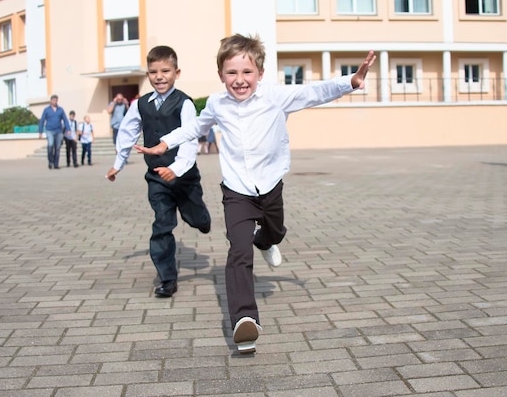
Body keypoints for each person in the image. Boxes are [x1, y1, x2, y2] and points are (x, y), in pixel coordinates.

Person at [135, 34, 376, 354]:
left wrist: (351, 81)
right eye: (231, 73)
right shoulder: (217, 103)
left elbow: (313, 92)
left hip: (271, 184)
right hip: (236, 191)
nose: (239, 80)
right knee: (238, 251)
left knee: (274, 231)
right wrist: (165, 143)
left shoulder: (275, 96)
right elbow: (194, 128)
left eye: (247, 72)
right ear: (221, 75)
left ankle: (266, 240)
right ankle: (244, 320)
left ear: (260, 74)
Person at [106, 45, 212, 299]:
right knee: (162, 225)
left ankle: (200, 218)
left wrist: (175, 169)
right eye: (153, 72)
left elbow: (189, 139)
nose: (159, 76)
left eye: (165, 70)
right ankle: (167, 278)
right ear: (148, 74)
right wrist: (118, 163)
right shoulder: (141, 104)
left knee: (198, 220)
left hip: (184, 177)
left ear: (177, 72)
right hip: (156, 177)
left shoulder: (184, 103)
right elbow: (128, 131)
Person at [39, 94, 71, 170]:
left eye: (56, 100)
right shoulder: (46, 110)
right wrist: (40, 132)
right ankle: (50, 162)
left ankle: (56, 164)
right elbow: (42, 120)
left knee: (57, 148)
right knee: (50, 145)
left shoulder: (60, 109)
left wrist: (68, 129)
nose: (55, 101)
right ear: (51, 101)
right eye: (53, 100)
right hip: (49, 130)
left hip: (59, 131)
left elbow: (65, 119)